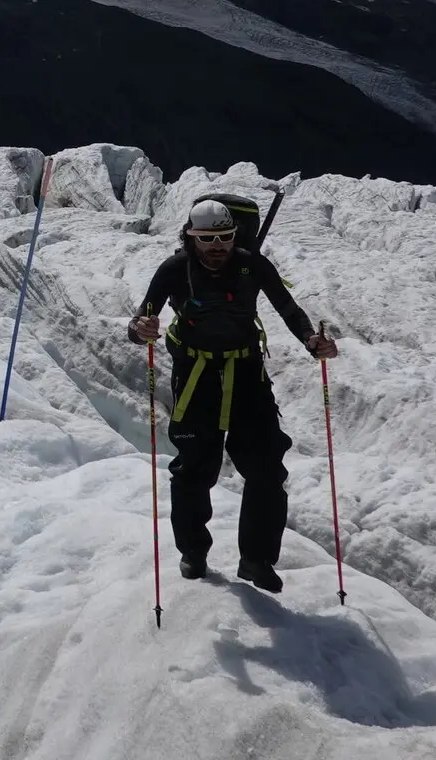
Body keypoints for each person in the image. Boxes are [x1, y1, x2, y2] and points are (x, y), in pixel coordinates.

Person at [126, 198, 338, 593]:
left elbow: (289, 309)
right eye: (207, 238)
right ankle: (194, 552)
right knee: (194, 469)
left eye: (224, 237)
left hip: (245, 374)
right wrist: (141, 328)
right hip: (197, 375)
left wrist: (312, 340)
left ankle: (255, 559)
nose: (217, 245)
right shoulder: (176, 269)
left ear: (234, 235)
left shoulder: (251, 265)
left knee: (266, 469)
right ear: (191, 237)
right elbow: (141, 317)